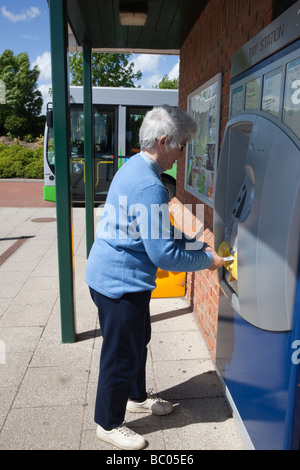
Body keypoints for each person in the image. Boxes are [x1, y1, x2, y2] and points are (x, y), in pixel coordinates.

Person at [85, 105, 223, 450]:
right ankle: (108, 423)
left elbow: (154, 232)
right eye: (181, 147)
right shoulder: (150, 185)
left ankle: (136, 396)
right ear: (163, 141)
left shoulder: (133, 166)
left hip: (114, 275)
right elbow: (162, 254)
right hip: (119, 283)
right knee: (121, 355)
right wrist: (206, 259)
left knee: (137, 339)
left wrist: (193, 241)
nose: (182, 155)